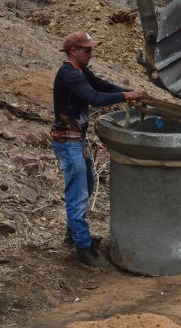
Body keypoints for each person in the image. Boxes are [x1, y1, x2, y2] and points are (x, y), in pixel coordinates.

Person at [52, 30, 148, 267]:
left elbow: (101, 85)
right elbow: (95, 97)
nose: (91, 54)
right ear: (73, 51)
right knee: (78, 193)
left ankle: (74, 233)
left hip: (76, 139)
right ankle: (82, 248)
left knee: (88, 184)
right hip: (68, 140)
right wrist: (127, 95)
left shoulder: (79, 71)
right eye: (87, 50)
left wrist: (128, 94)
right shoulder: (68, 75)